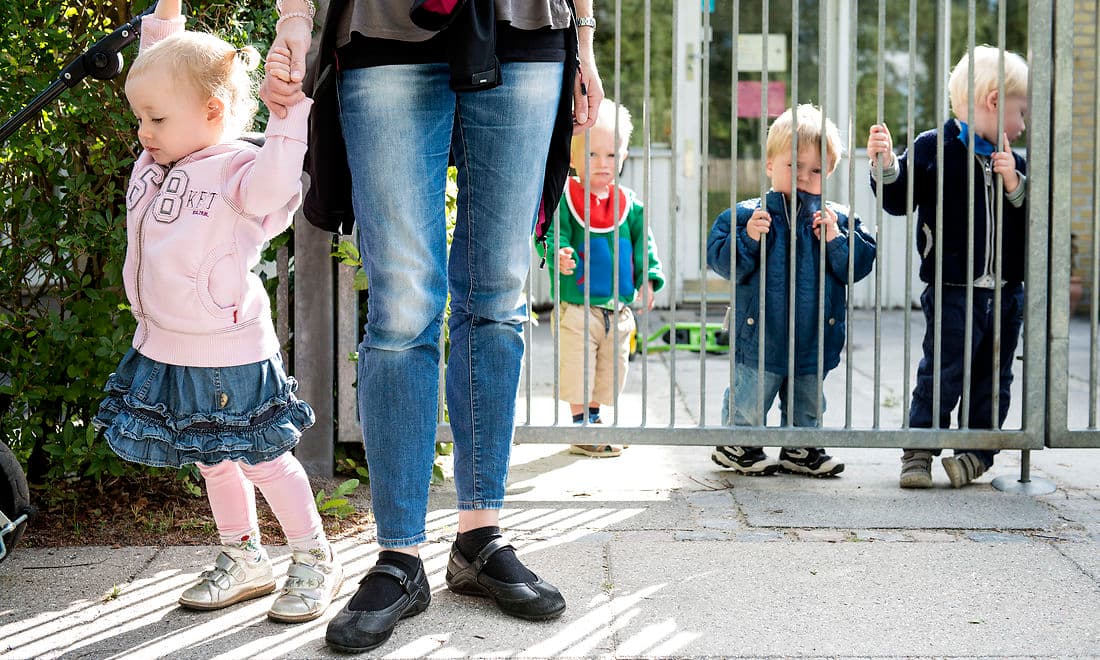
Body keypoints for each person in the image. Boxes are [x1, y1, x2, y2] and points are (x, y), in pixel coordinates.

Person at [261, 0, 604, 653]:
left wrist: (584, 39)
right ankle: (400, 558)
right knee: (402, 306)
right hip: (384, 28)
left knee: (498, 296)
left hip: (527, 27)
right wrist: (294, 23)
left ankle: (479, 537)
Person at [92, 0, 341, 623]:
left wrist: (286, 119)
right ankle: (244, 555)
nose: (143, 132)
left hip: (232, 350)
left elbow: (277, 184)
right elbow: (166, 68)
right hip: (169, 344)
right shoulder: (158, 164)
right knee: (212, 457)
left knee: (263, 459)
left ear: (211, 113)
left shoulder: (236, 171)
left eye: (155, 118)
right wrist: (166, 15)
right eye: (139, 118)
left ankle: (312, 557)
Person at [867, 46, 1028, 489]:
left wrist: (1013, 182)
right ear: (994, 102)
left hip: (1005, 291)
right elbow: (898, 200)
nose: (1022, 125)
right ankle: (919, 451)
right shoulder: (931, 147)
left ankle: (976, 454)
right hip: (953, 285)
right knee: (942, 368)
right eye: (1020, 112)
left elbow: (1031, 223)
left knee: (993, 376)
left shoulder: (1013, 160)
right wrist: (885, 166)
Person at [708, 104, 876, 478]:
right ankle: (737, 442)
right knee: (751, 392)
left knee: (808, 396)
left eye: (816, 170)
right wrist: (749, 237)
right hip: (760, 330)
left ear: (829, 172)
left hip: (814, 332)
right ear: (770, 165)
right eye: (794, 166)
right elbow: (720, 259)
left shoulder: (839, 219)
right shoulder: (746, 215)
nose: (804, 176)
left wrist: (836, 239)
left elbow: (859, 265)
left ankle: (801, 446)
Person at [542, 98, 665, 458]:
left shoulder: (629, 203)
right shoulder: (566, 197)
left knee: (610, 368)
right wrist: (558, 254)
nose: (603, 164)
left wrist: (649, 277)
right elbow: (553, 233)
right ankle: (581, 426)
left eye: (611, 156)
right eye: (593, 155)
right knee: (579, 365)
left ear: (623, 158)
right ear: (574, 158)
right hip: (579, 306)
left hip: (617, 308)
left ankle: (595, 421)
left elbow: (645, 244)